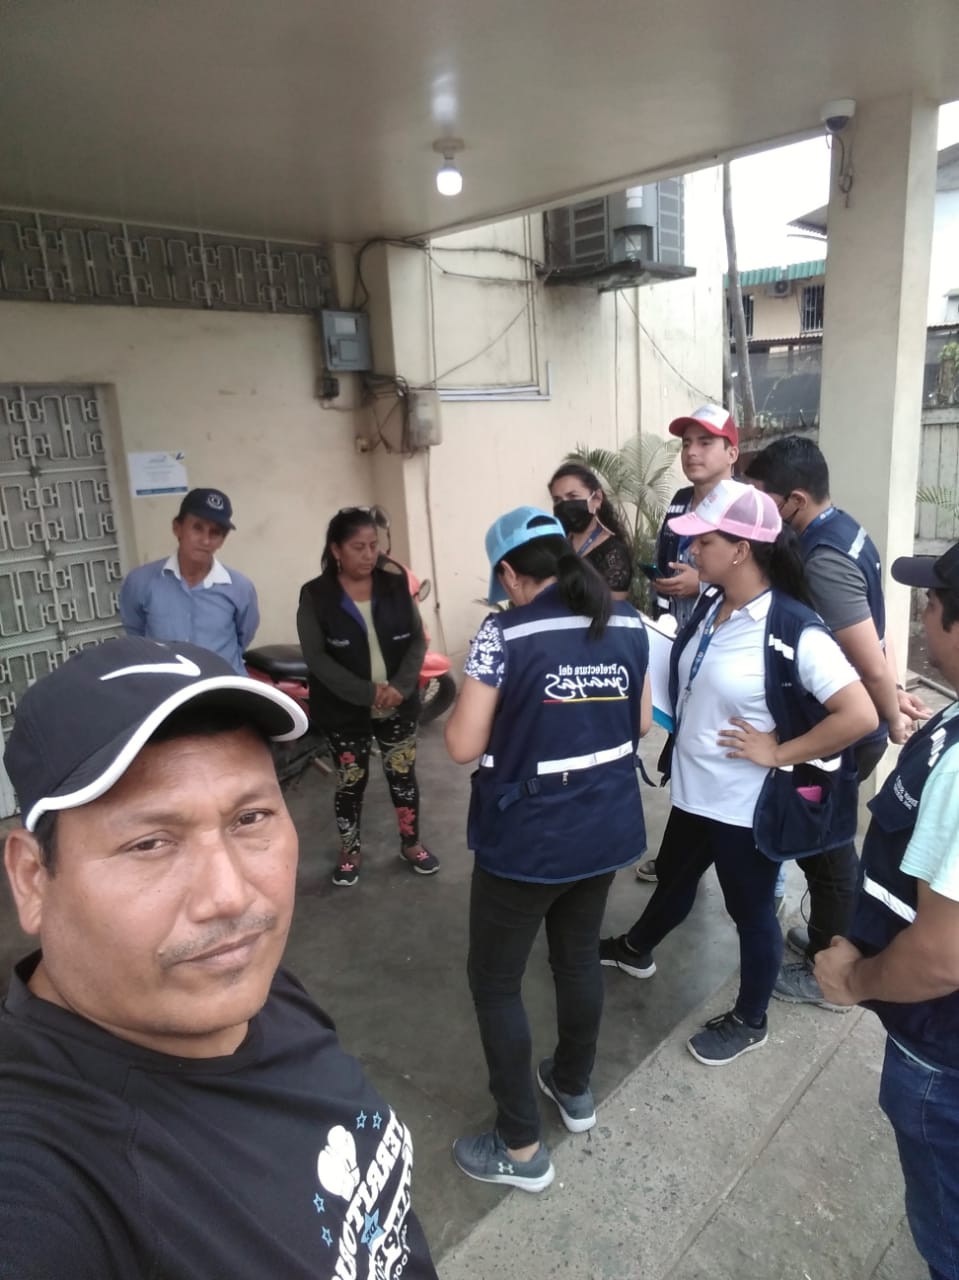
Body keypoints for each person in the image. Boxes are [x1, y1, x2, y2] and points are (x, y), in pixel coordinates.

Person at [0, 636, 438, 1280]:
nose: (229, 896)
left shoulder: (258, 988)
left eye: (250, 818)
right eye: (150, 843)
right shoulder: (49, 1175)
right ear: (32, 879)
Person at [600, 480, 877, 1065]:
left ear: (741, 549)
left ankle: (751, 1020)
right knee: (674, 879)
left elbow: (859, 714)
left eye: (704, 541)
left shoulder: (794, 628)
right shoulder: (713, 602)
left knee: (750, 913)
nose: (691, 549)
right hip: (695, 788)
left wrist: (779, 752)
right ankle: (635, 948)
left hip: (743, 804)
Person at [444, 507, 652, 1190]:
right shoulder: (628, 621)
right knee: (576, 957)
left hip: (528, 840)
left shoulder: (503, 633)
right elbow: (641, 721)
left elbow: (462, 744)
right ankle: (573, 1086)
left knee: (495, 981)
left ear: (509, 573)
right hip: (605, 826)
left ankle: (520, 1146)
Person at [744, 436, 932, 1009]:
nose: (757, 510)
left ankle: (830, 974)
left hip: (844, 730)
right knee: (822, 845)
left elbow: (865, 654)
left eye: (763, 499)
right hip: (852, 718)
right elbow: (877, 630)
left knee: (826, 850)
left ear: (796, 500)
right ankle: (829, 939)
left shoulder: (823, 558)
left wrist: (890, 717)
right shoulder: (844, 529)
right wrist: (892, 693)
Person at [816, 543, 959, 1280]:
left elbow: (943, 955)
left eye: (931, 604)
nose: (923, 618)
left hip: (941, 1056)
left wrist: (855, 980)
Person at [297, 507, 437, 887]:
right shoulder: (316, 595)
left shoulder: (394, 584)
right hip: (345, 709)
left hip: (398, 705)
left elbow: (417, 639)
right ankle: (350, 851)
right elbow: (317, 658)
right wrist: (368, 692)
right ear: (336, 550)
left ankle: (411, 844)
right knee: (350, 782)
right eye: (358, 547)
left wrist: (400, 687)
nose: (369, 554)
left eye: (374, 545)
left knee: (403, 777)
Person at [635, 402, 739, 882]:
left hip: (726, 654)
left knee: (724, 757)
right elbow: (665, 556)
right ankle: (682, 863)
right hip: (680, 644)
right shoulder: (679, 500)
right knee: (686, 751)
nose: (692, 452)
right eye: (686, 443)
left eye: (706, 442)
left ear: (731, 452)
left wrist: (702, 583)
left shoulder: (745, 506)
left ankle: (759, 876)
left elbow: (760, 582)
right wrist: (662, 602)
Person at [119, 487, 259, 676]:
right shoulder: (141, 581)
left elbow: (244, 635)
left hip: (224, 686)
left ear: (222, 540)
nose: (205, 540)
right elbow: (135, 633)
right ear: (177, 528)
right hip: (167, 687)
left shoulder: (239, 588)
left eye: (215, 532)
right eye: (197, 528)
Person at [548, 463, 634, 600]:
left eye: (573, 496)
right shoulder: (556, 545)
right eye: (557, 500)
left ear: (597, 498)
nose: (564, 505)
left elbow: (614, 607)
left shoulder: (613, 553)